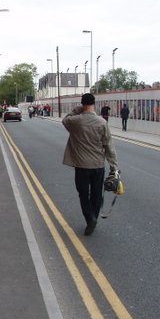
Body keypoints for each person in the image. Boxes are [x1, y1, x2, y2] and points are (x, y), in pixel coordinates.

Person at [62, 93, 119, 236]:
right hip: (98, 165)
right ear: (94, 104)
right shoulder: (102, 122)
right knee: (96, 194)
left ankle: (90, 218)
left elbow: (65, 120)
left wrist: (77, 110)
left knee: (83, 194)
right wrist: (114, 167)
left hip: (81, 166)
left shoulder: (75, 121)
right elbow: (109, 146)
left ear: (82, 104)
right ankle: (94, 216)